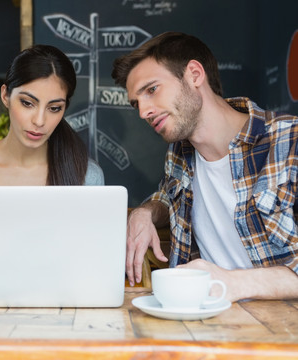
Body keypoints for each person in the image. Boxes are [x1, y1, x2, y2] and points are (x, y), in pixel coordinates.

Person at [112, 31, 298, 302]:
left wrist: (234, 282)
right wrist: (143, 213)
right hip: (204, 328)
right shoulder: (179, 154)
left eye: (152, 90)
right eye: (136, 103)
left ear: (195, 75)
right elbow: (166, 197)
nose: (143, 112)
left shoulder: (289, 141)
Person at [0, 44, 104, 286]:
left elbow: (94, 271)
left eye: (54, 108)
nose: (40, 121)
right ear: (5, 95)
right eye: (27, 103)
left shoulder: (88, 176)